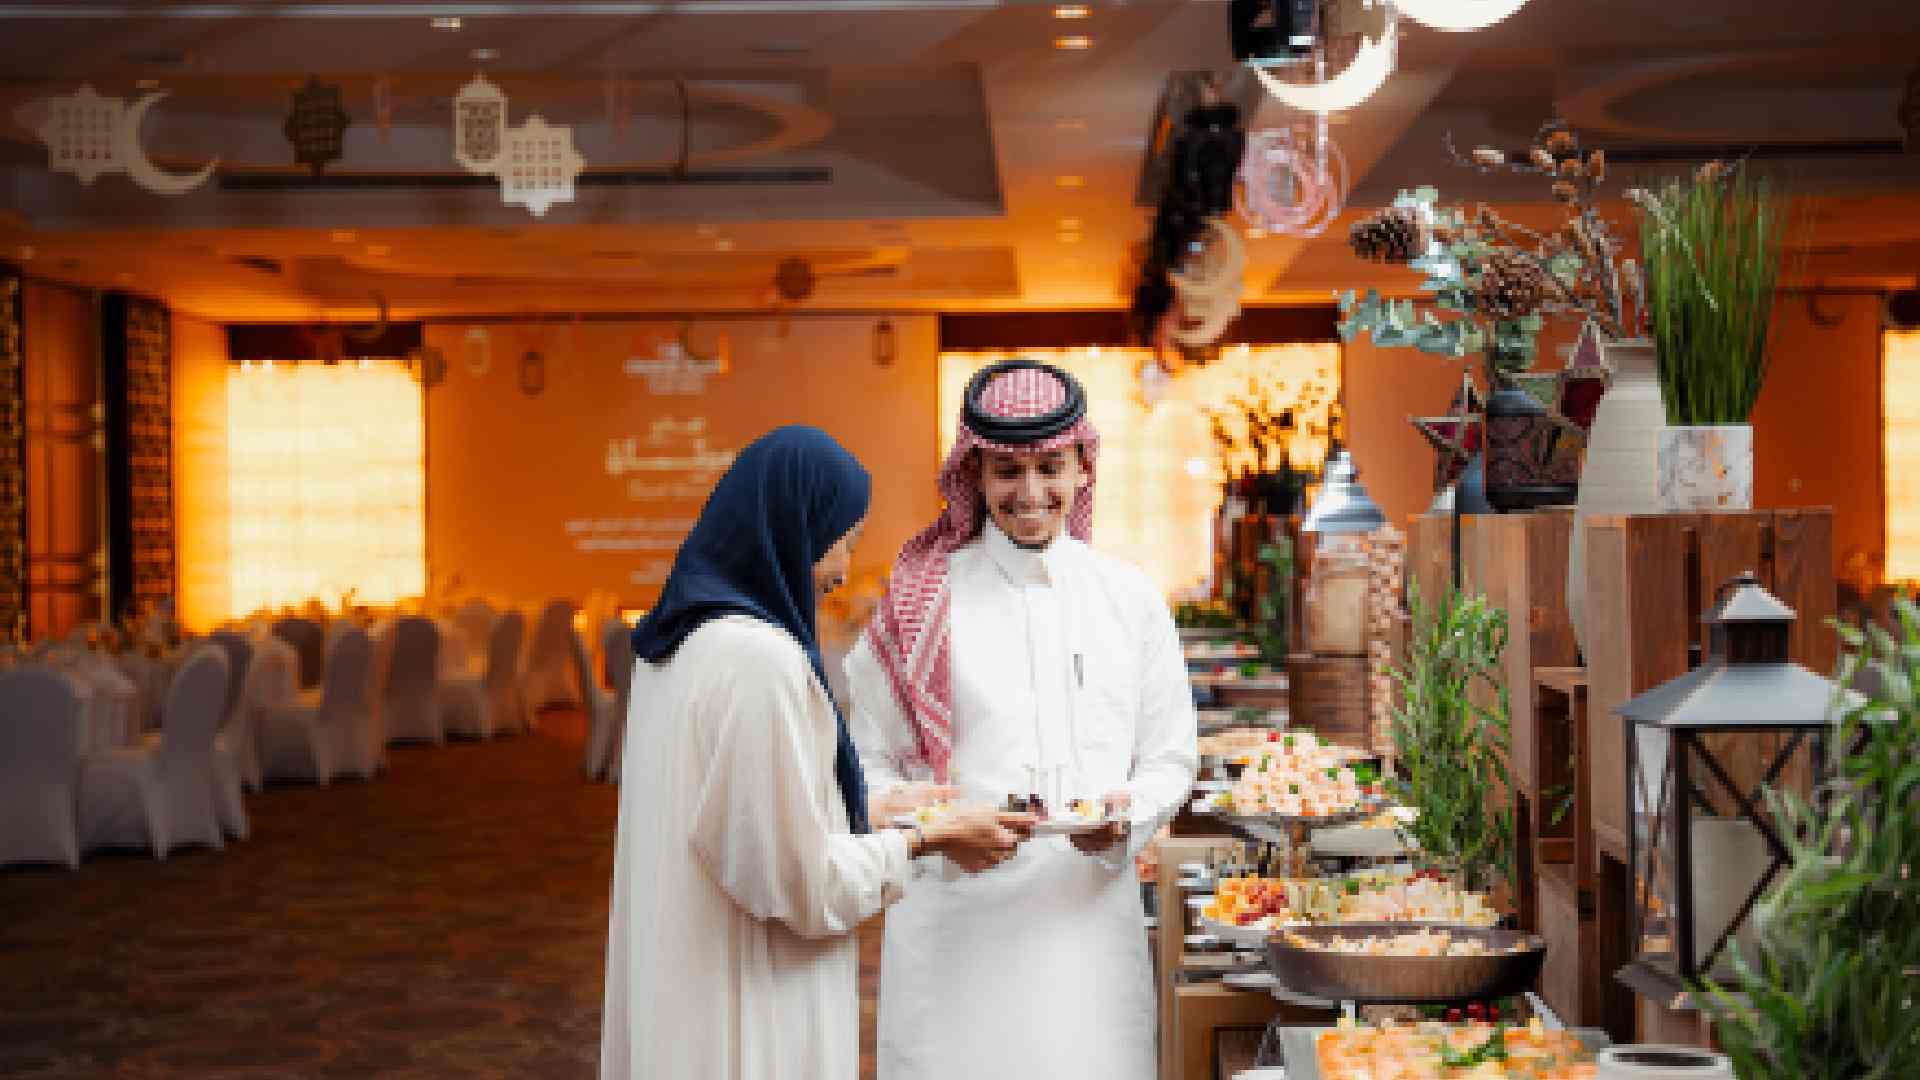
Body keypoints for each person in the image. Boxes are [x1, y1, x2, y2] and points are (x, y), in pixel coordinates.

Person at [598, 425, 1033, 1080]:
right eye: (843, 539)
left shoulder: (680, 643)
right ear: (794, 526)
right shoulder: (759, 662)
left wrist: (872, 808)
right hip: (747, 1011)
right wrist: (926, 839)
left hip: (682, 992)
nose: (842, 570)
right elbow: (797, 882)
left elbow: (740, 818)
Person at [846, 360, 1199, 1080]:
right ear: (973, 475)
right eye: (1008, 470)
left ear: (1082, 469)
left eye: (1050, 468)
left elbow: (1171, 758)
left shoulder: (1128, 600)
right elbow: (866, 769)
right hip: (954, 933)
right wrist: (934, 833)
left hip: (1089, 936)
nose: (1032, 493)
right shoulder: (924, 600)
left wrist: (1126, 816)